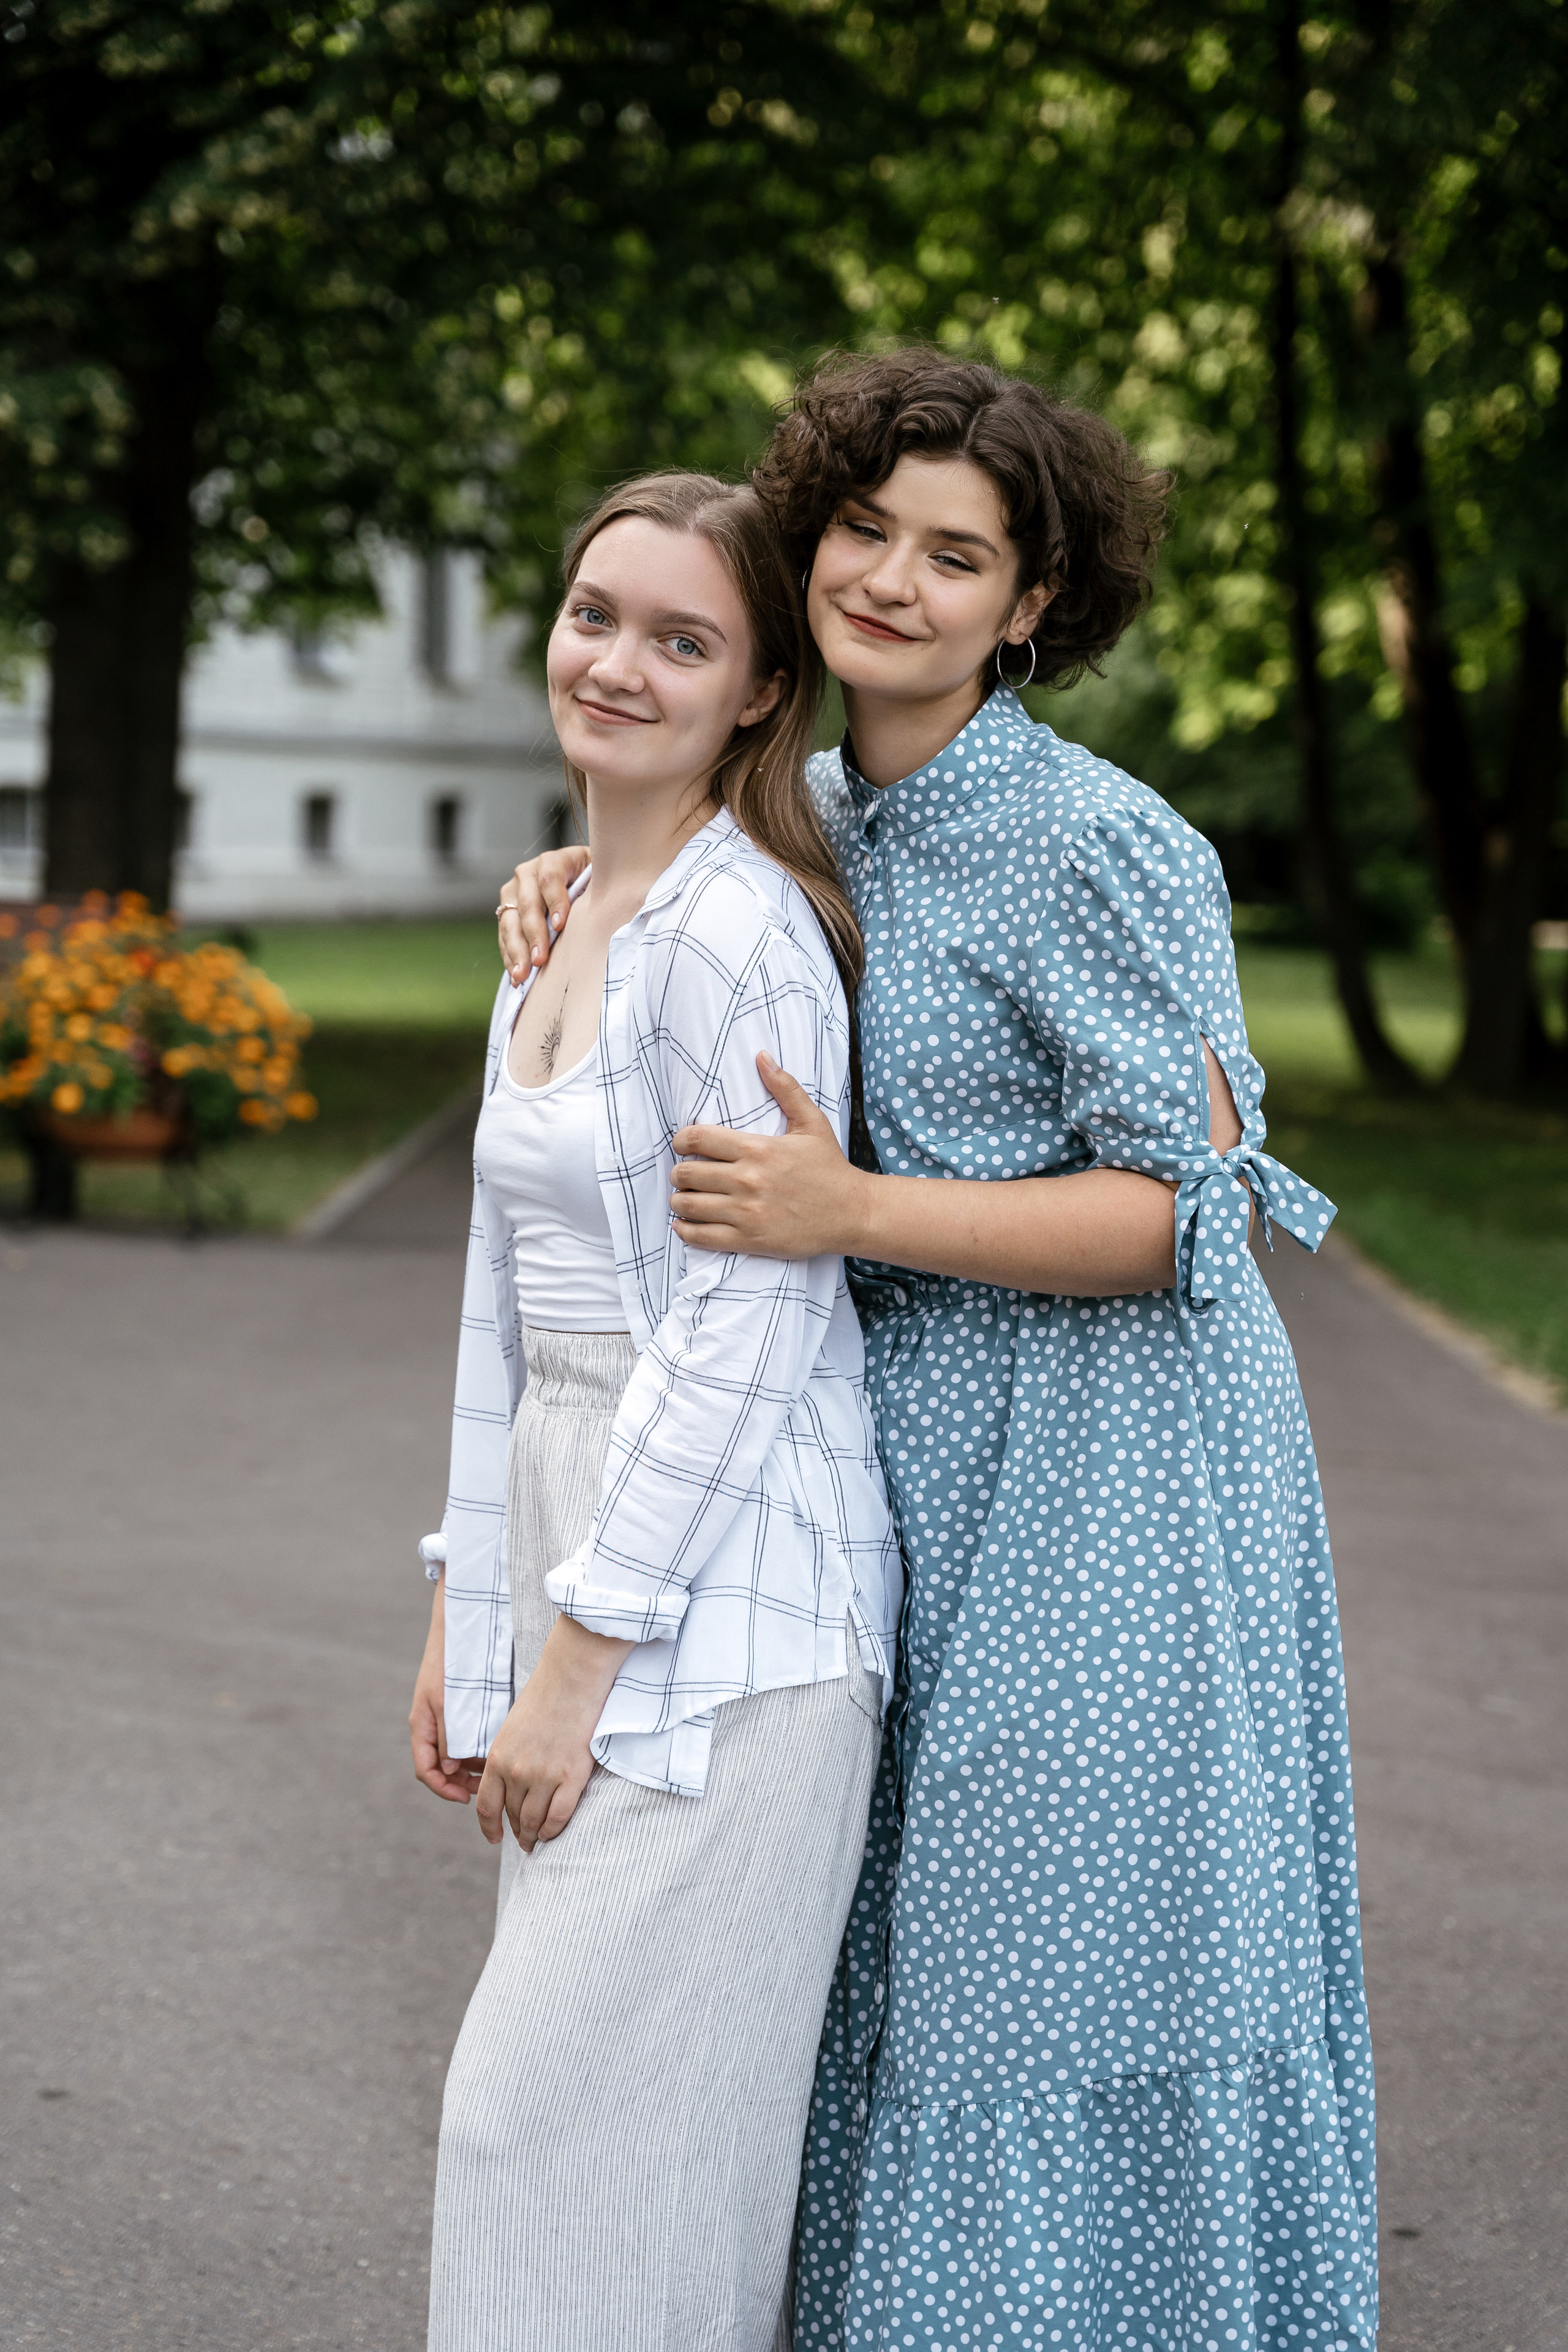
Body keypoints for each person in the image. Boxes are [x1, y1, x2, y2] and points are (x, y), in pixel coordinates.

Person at [497, 352, 1376, 2352]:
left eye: (957, 555)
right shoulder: (801, 810)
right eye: (869, 528)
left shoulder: (1102, 844)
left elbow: (1194, 1219)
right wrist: (576, 878)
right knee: (883, 1967)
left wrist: (855, 1212)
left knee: (1050, 1971)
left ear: (1034, 603)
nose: (894, 579)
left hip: (1114, 1484)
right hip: (893, 1455)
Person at [411, 469, 902, 2352]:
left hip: (735, 1621)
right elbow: (500, 1314)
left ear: (762, 690)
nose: (617, 663)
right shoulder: (554, 922)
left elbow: (747, 1334)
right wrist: (467, 1594)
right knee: (592, 2165)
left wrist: (574, 1665)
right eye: (594, 612)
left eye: (682, 639)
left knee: (558, 2138)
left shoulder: (739, 936)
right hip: (573, 1544)